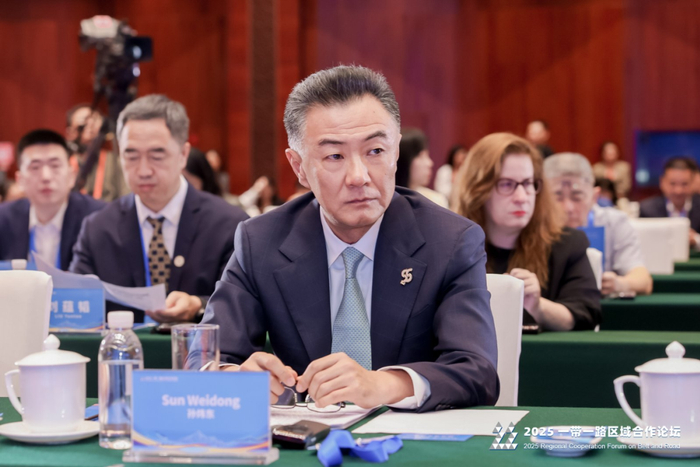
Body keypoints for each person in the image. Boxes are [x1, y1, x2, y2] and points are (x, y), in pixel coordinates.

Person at [202, 65, 499, 412]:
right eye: (335, 156)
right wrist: (234, 378)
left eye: (375, 151)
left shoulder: (450, 242)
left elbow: (476, 370)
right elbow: (208, 356)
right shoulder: (260, 241)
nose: (359, 177)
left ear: (396, 152)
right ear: (298, 167)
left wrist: (384, 385)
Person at [70, 95, 248, 323]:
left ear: (183, 155)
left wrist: (198, 304)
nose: (143, 170)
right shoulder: (97, 228)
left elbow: (244, 303)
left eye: (156, 155)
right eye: (131, 156)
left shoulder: (229, 225)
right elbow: (76, 303)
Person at [454, 133, 601, 331]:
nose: (522, 197)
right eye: (507, 184)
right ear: (478, 189)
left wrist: (538, 307)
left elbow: (585, 315)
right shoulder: (452, 247)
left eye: (528, 183)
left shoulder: (567, 243)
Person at [544, 153, 653, 296]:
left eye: (577, 197)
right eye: (557, 197)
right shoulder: (533, 225)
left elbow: (643, 280)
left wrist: (618, 283)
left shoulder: (614, 222)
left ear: (594, 196)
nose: (568, 207)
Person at [0, 130, 105, 269]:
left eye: (55, 165)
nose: (46, 176)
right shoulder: (3, 218)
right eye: (35, 167)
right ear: (20, 180)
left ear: (72, 176)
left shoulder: (98, 218)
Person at [65, 104, 129, 201]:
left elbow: (126, 198)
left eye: (95, 119)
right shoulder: (64, 162)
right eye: (84, 120)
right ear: (70, 132)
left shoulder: (115, 161)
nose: (91, 123)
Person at [639, 156, 700, 247]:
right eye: (672, 183)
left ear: (693, 183)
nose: (678, 190)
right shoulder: (647, 209)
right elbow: (641, 241)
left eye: (684, 184)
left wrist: (696, 239)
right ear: (662, 182)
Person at [395, 128, 449, 208]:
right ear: (404, 160)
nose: (430, 163)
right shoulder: (386, 202)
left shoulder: (435, 200)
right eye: (422, 156)